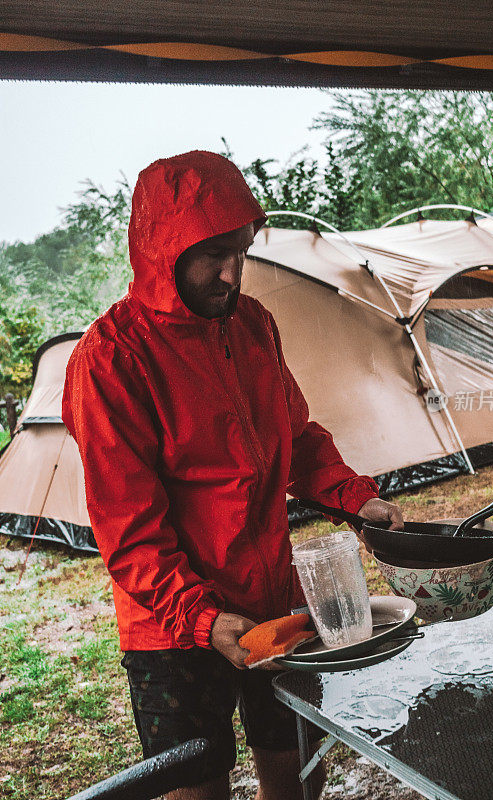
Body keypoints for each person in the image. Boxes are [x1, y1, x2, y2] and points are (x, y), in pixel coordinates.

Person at [62, 150, 404, 800]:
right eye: (214, 254)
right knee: (196, 789)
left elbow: (298, 441)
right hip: (172, 628)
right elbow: (130, 534)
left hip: (271, 603)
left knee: (298, 770)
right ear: (162, 251)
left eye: (241, 252)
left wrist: (358, 501)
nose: (232, 273)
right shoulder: (111, 361)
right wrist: (199, 616)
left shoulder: (252, 326)